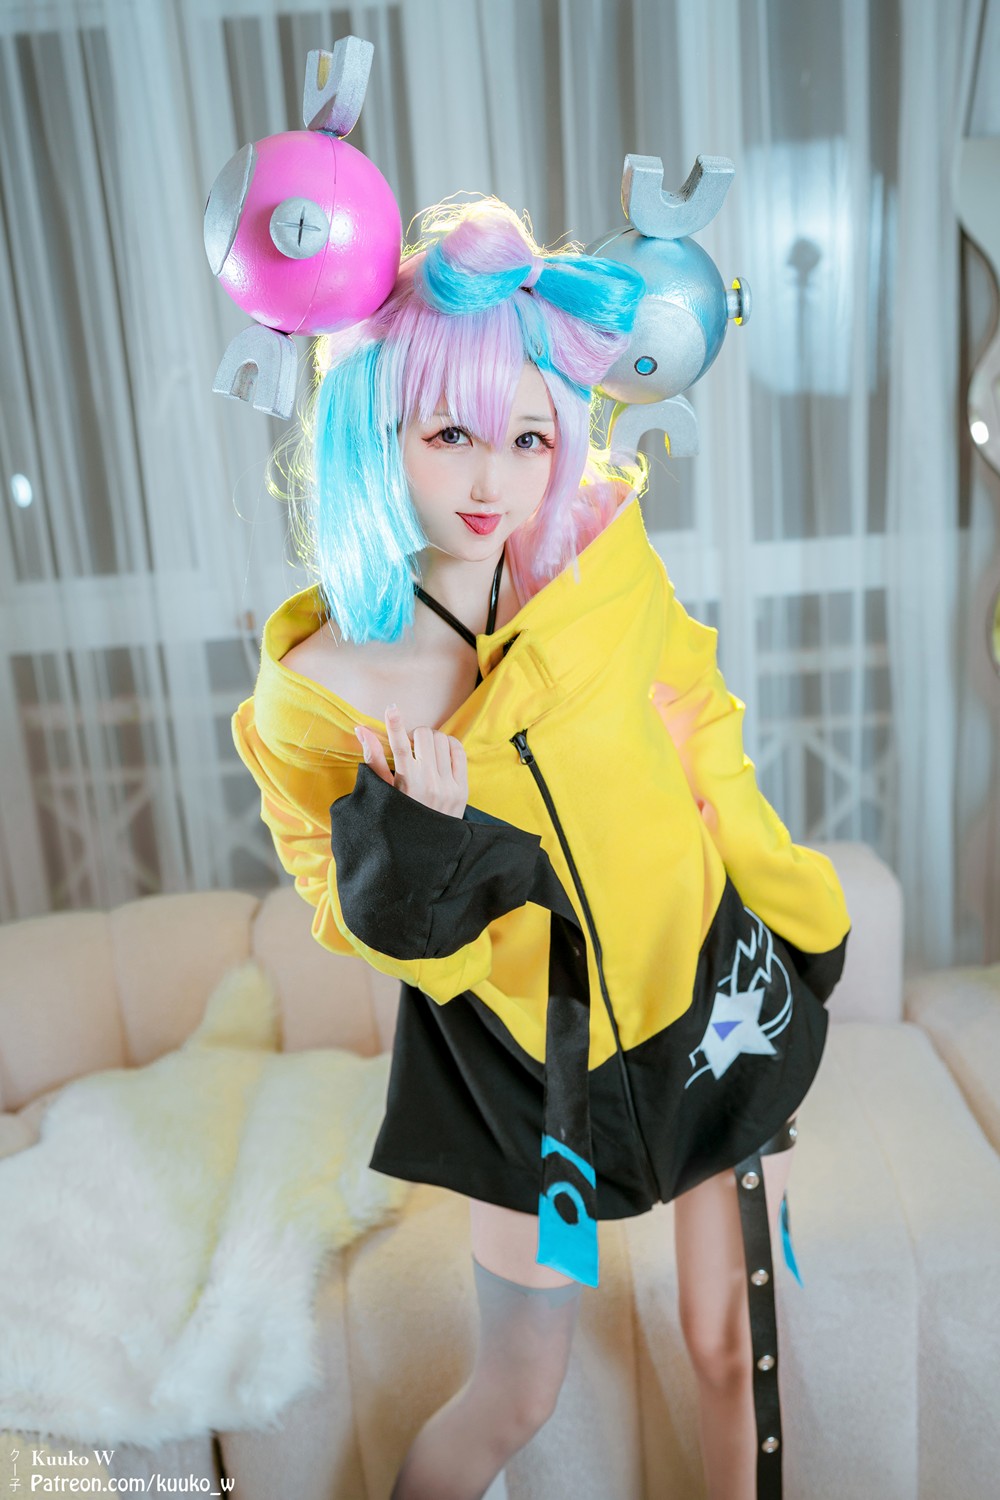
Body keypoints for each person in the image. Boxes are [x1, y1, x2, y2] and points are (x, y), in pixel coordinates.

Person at [232, 196, 850, 1500]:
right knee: (516, 1393)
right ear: (377, 433)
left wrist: (791, 897)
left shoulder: (598, 561)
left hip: (713, 996)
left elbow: (700, 723)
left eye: (527, 438)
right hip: (525, 1071)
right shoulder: (319, 700)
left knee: (729, 1345)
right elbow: (345, 913)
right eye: (450, 433)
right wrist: (419, 848)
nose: (491, 483)